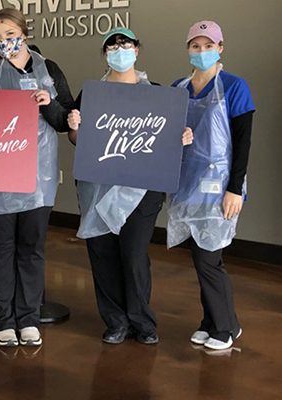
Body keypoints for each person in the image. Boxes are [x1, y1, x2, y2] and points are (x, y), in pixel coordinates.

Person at [67, 27, 193, 346]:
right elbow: (78, 140)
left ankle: (142, 321)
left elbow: (168, 139)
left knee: (134, 255)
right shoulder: (92, 94)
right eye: (112, 46)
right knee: (102, 253)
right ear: (104, 54)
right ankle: (115, 321)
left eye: (125, 45)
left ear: (136, 50)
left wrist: (181, 137)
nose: (119, 50)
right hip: (98, 187)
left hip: (142, 190)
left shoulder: (157, 95)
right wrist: (74, 128)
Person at [0, 7, 74, 347]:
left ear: (25, 34)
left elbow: (65, 119)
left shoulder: (49, 69)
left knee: (31, 248)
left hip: (39, 176)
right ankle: (3, 320)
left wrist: (48, 103)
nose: (4, 42)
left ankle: (28, 318)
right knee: (1, 249)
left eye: (10, 35)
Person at [167, 21, 254, 351]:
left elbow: (243, 142)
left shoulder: (234, 86)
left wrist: (235, 188)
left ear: (220, 48)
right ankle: (210, 321)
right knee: (199, 255)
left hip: (219, 187)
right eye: (195, 46)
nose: (201, 51)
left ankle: (227, 327)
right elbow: (165, 134)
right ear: (188, 49)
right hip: (186, 183)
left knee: (209, 259)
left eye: (208, 45)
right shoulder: (178, 88)